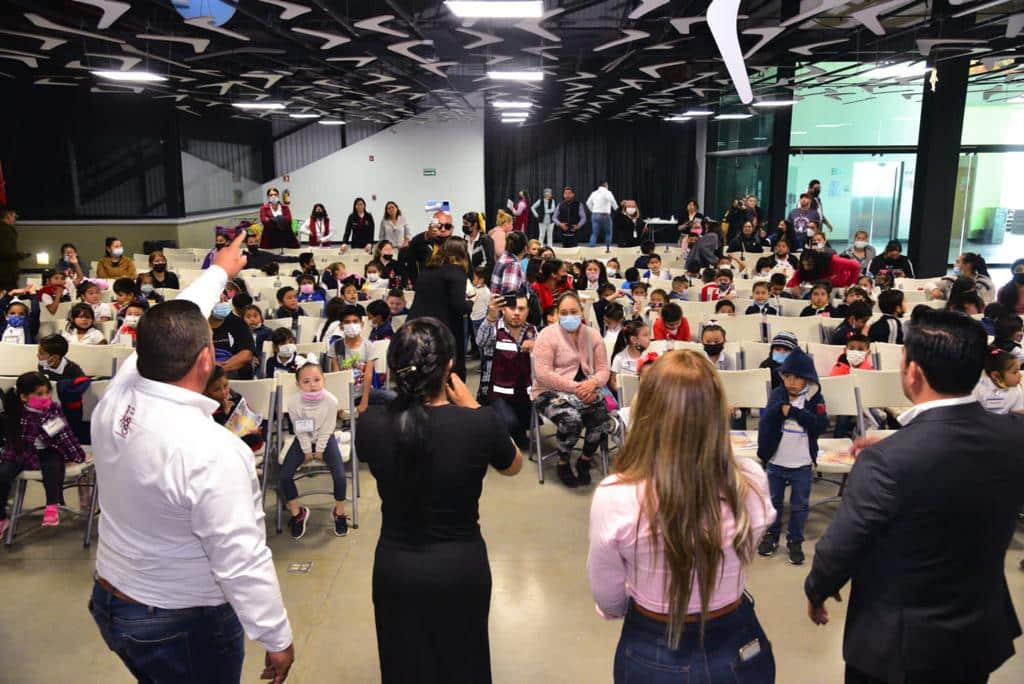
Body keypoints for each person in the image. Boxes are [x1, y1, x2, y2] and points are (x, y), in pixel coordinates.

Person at [88, 232, 294, 682]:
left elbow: (176, 317)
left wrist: (220, 271)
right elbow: (240, 559)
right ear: (207, 361)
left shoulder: (117, 393)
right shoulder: (214, 451)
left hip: (112, 599)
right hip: (179, 618)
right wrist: (276, 636)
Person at [804, 308, 1024, 684]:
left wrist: (818, 590)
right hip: (977, 631)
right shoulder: (1013, 436)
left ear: (914, 373)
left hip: (899, 645)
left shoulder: (885, 462)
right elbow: (951, 452)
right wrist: (895, 439)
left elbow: (842, 546)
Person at [587, 350, 776, 683]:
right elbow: (747, 545)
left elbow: (608, 595)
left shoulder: (616, 495)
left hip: (653, 642)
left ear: (646, 413)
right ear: (717, 413)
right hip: (738, 638)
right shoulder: (750, 481)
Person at [355, 318, 521, 683]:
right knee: (464, 664)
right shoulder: (479, 424)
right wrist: (473, 406)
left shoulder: (371, 425)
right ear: (449, 368)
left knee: (403, 666)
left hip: (396, 568)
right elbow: (513, 466)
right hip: (461, 568)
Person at [532, 291, 615, 488]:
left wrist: (593, 383)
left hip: (586, 388)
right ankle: (563, 462)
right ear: (557, 314)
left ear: (581, 311)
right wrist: (577, 387)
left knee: (602, 416)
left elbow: (604, 369)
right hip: (548, 391)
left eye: (573, 311)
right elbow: (543, 374)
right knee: (572, 419)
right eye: (564, 312)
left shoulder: (592, 335)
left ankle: (585, 459)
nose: (569, 317)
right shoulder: (547, 335)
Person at [756, 348, 827, 565]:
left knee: (800, 505)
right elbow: (766, 420)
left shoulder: (816, 398)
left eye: (797, 377)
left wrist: (794, 413)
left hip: (802, 464)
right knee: (773, 502)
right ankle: (771, 535)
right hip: (776, 462)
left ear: (808, 378)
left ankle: (795, 540)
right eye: (787, 376)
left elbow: (820, 425)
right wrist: (780, 410)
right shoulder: (778, 394)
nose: (791, 382)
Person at [0, 371, 87, 535]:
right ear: (24, 397)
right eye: (39, 394)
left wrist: (78, 455)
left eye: (48, 392)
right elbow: (11, 439)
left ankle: (52, 506)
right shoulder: (15, 412)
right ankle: (1, 518)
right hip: (21, 452)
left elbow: (65, 435)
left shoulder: (53, 411)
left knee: (53, 466)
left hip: (48, 450)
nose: (46, 397)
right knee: (3, 475)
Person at [280, 360, 349, 538]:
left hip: (325, 439)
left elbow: (328, 428)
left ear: (324, 380)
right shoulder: (294, 403)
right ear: (298, 384)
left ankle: (339, 512)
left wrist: (319, 449)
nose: (312, 385)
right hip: (303, 439)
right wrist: (305, 450)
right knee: (284, 476)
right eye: (306, 381)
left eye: (317, 379)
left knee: (340, 475)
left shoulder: (331, 401)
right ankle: (297, 513)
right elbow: (299, 428)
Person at [408, 237, 475, 380]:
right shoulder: (456, 273)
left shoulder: (426, 271)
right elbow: (459, 306)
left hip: (417, 327)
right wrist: (472, 303)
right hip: (442, 332)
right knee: (447, 375)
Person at [475, 292, 536, 446]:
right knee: (510, 423)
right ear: (503, 309)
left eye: (522, 309)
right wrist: (490, 317)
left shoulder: (532, 331)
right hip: (497, 394)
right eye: (512, 307)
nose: (517, 313)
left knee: (532, 420)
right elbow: (480, 341)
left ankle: (516, 431)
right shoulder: (493, 327)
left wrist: (537, 346)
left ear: (528, 311)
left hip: (523, 392)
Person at [37, 334, 92, 444]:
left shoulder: (73, 371)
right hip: (48, 408)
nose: (38, 356)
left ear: (55, 357)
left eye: (41, 354)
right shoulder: (42, 365)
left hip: (69, 414)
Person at [210, 296, 256, 380]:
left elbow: (246, 354)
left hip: (235, 375)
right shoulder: (195, 325)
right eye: (219, 300)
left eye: (225, 300)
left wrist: (218, 371)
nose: (222, 303)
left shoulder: (237, 323)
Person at [974, 348, 1023, 415]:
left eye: (1019, 371)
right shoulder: (978, 389)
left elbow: (1018, 413)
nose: (1020, 375)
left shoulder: (1016, 388)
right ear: (996, 375)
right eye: (1015, 372)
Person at [787, 249, 861, 293]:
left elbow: (856, 265)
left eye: (809, 265)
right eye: (804, 264)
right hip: (821, 291)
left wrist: (849, 285)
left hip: (841, 286)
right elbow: (790, 284)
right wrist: (794, 287)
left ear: (817, 263)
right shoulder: (803, 269)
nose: (807, 268)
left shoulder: (832, 261)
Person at [608, 319, 649, 393]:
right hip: (627, 398)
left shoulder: (648, 356)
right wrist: (624, 392)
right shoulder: (619, 358)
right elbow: (613, 382)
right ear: (634, 340)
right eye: (645, 335)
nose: (649, 338)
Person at [490, 230, 528, 295]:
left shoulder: (504, 258)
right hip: (505, 304)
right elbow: (510, 296)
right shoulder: (513, 265)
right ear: (525, 248)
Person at [586, 181, 618, 249]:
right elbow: (612, 201)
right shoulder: (607, 192)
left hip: (594, 215)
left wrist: (593, 210)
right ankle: (607, 249)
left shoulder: (594, 193)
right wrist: (616, 209)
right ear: (605, 185)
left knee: (594, 234)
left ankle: (591, 249)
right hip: (605, 215)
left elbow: (588, 203)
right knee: (608, 233)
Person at [0, 208, 19, 290]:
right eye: (14, 217)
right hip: (6, 273)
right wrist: (20, 255)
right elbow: (6, 251)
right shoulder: (5, 230)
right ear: (8, 216)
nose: (15, 219)